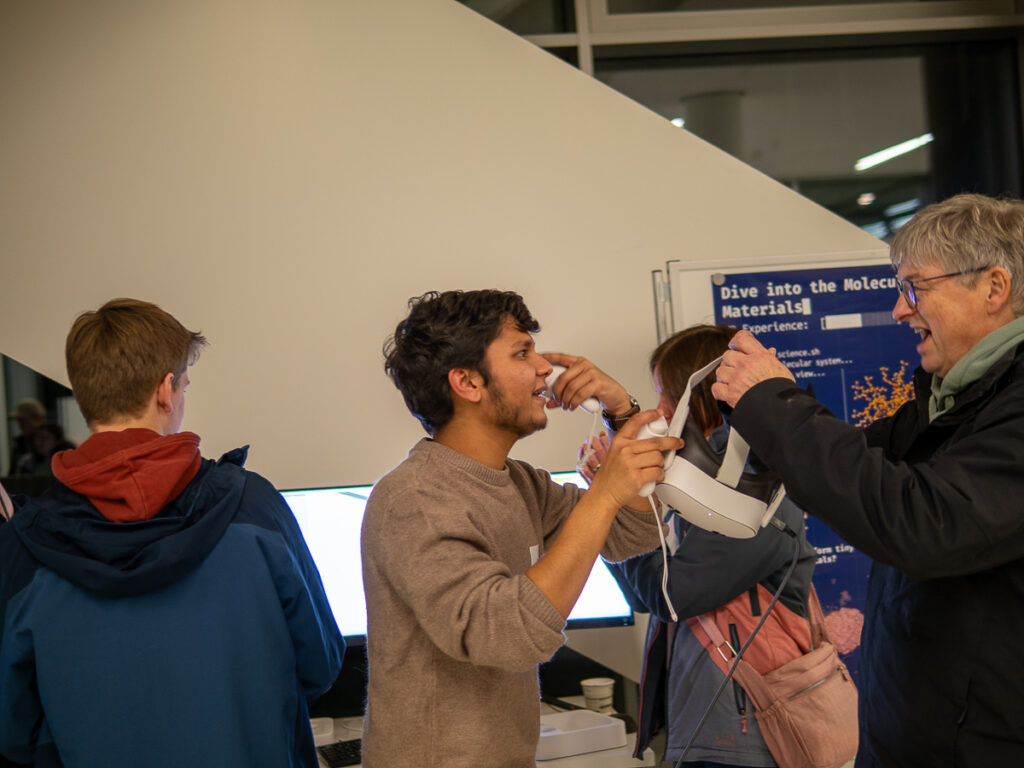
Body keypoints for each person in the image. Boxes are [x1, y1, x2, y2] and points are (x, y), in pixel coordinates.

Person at [710, 193, 1024, 767]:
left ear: (994, 288)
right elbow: (848, 470)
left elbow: (921, 522)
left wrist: (775, 404)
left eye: (915, 288)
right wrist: (761, 410)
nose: (901, 311)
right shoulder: (947, 401)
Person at [0, 298, 344, 768]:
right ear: (166, 391)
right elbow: (321, 664)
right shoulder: (253, 508)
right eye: (183, 383)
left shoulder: (24, 544)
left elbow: (14, 728)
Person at [361, 289, 682, 768]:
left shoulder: (521, 483)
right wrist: (603, 492)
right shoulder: (414, 499)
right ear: (467, 382)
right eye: (522, 353)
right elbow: (506, 637)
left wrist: (622, 413)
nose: (544, 370)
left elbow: (632, 531)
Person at [576, 324, 816, 767]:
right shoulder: (697, 489)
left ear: (703, 394)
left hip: (748, 741)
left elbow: (671, 594)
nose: (662, 410)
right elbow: (644, 593)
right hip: (711, 731)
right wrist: (617, 501)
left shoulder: (752, 485)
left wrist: (617, 502)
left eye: (668, 394)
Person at [7, 397, 46, 474]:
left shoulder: (50, 443)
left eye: (24, 422)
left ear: (38, 419)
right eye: (19, 422)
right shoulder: (19, 445)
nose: (20, 426)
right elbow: (13, 474)